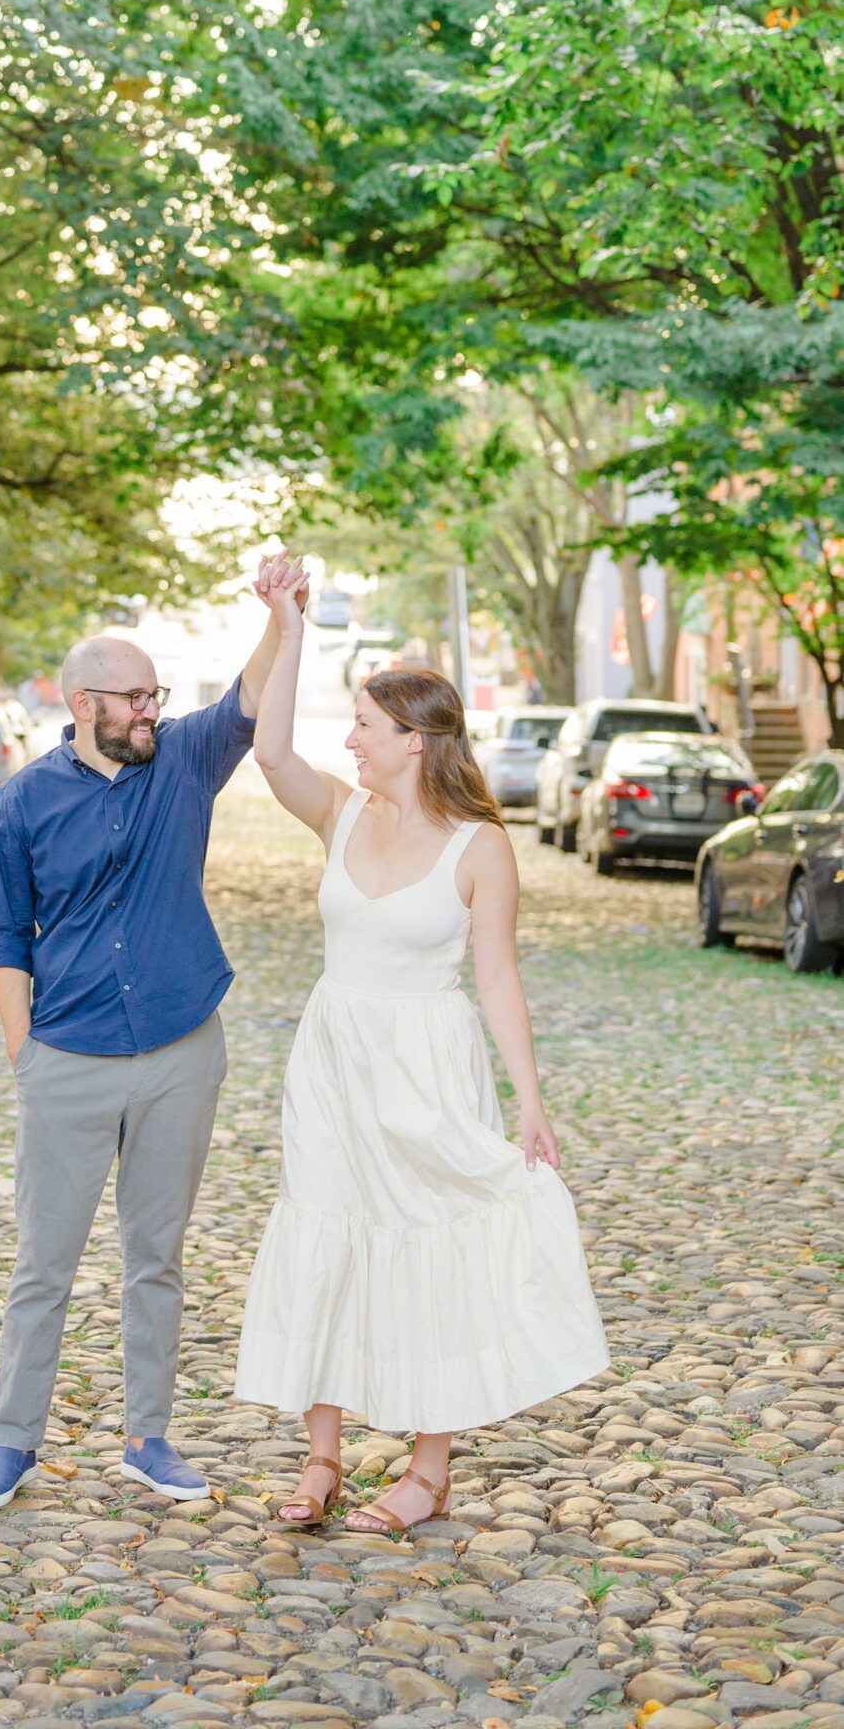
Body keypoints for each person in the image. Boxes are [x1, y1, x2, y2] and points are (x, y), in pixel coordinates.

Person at [235, 552, 606, 1536]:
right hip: (331, 1056)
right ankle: (319, 1458)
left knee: (426, 1245)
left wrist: (528, 1098)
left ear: (411, 739)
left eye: (363, 725)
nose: (348, 739)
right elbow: (269, 755)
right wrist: (290, 624)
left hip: (426, 1064)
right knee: (326, 1227)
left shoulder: (478, 845)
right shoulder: (339, 810)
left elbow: (495, 978)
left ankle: (428, 1468)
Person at [0, 612, 286, 1510]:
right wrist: (24, 1055)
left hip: (182, 1048)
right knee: (44, 1264)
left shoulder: (181, 759)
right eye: (135, 698)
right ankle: (12, 1442)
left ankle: (148, 1438)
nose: (152, 711)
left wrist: (279, 617)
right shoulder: (23, 800)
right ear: (83, 705)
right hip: (65, 1056)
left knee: (156, 1255)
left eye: (156, 696)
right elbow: (4, 938)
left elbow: (247, 698)